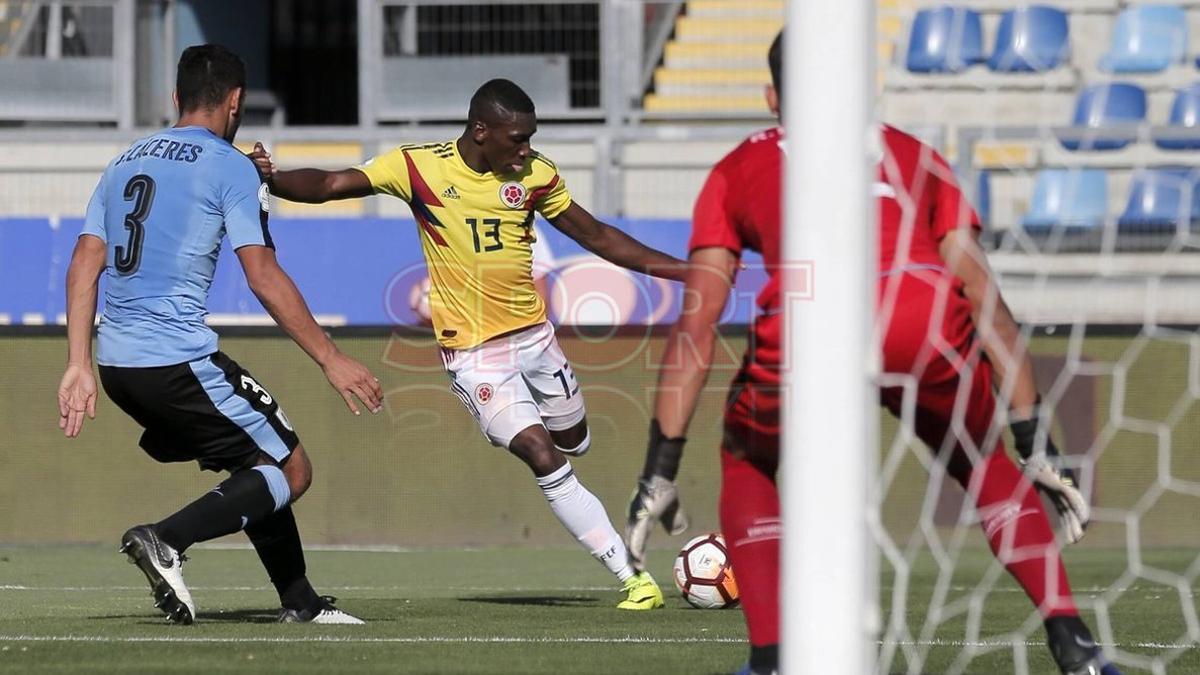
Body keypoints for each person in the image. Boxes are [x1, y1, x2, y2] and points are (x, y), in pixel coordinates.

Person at [623, 32, 1121, 675]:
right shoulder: (914, 154)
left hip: (806, 327)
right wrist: (1036, 437)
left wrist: (660, 468)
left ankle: (773, 657)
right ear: (861, 90)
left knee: (745, 459)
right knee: (982, 461)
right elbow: (981, 294)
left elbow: (697, 326)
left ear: (772, 96)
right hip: (922, 320)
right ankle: (1073, 641)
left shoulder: (734, 168)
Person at [249, 78, 688, 609]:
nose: (525, 149)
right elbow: (331, 184)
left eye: (530, 138)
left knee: (573, 441)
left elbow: (596, 236)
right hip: (475, 356)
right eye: (517, 138)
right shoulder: (419, 168)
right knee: (541, 453)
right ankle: (632, 576)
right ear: (482, 132)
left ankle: (577, 460)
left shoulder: (535, 174)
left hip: (536, 339)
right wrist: (272, 180)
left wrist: (687, 272)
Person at [57, 44, 382, 625]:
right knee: (291, 469)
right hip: (177, 358)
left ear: (176, 99)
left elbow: (86, 258)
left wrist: (78, 363)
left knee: (260, 464)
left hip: (116, 365)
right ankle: (165, 539)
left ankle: (301, 602)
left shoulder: (125, 160)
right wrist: (331, 358)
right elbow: (262, 275)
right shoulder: (230, 165)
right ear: (236, 102)